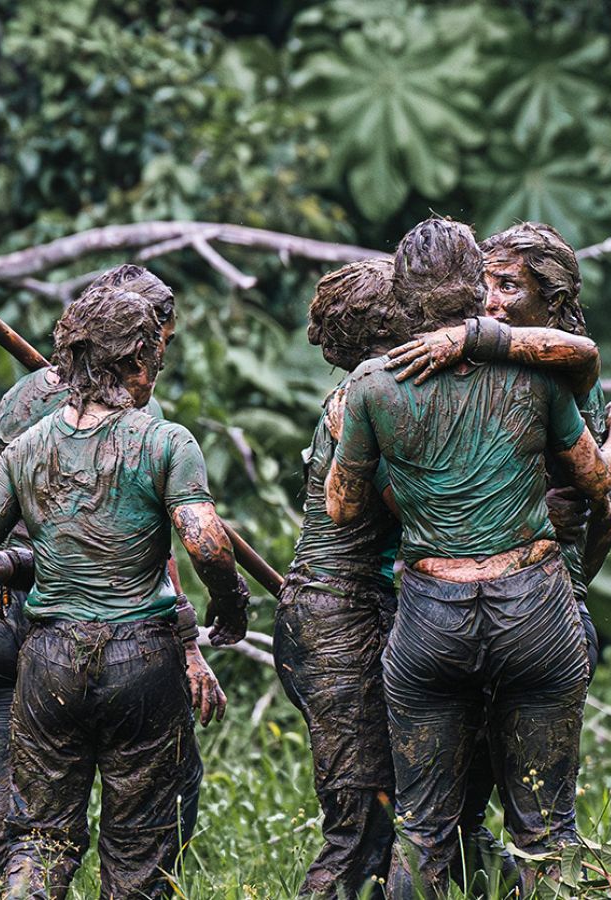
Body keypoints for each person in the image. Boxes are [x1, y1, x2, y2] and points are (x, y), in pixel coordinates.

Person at [324, 217, 611, 898]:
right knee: (547, 829)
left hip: (430, 619)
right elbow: (597, 486)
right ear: (473, 282)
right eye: (492, 280)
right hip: (533, 609)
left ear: (403, 293)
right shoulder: (532, 377)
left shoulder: (372, 384)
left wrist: (350, 435)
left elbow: (343, 509)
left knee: (421, 830)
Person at [0, 289, 250, 899]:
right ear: (138, 359)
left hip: (46, 662)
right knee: (138, 849)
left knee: (38, 838)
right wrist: (229, 601)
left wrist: (26, 571)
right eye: (157, 362)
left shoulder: (26, 447)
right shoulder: (167, 441)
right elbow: (207, 544)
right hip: (139, 660)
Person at [384, 222, 611, 678]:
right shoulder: (474, 366)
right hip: (464, 607)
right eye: (484, 285)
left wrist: (565, 593)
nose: (489, 302)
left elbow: (602, 515)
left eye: (508, 286)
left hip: (535, 610)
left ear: (555, 301)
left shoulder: (565, 376)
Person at [275, 258, 411, 899]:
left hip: (330, 611)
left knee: (383, 818)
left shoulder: (363, 390)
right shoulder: (368, 393)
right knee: (358, 826)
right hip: (338, 617)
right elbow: (401, 504)